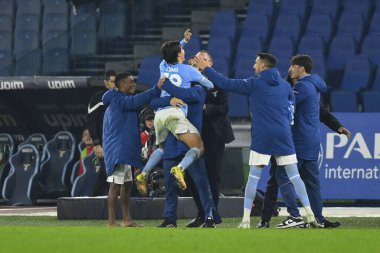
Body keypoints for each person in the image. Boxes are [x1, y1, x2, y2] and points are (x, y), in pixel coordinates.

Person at [195, 52, 318, 228]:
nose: (253, 66)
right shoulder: (285, 85)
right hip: (284, 136)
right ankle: (310, 214)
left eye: (255, 63)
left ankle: (245, 220)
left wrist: (206, 68)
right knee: (295, 176)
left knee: (253, 178)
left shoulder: (254, 83)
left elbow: (226, 83)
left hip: (263, 136)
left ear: (262, 65)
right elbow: (291, 107)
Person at [257, 68, 351, 229]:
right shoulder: (309, 91)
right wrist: (338, 127)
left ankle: (292, 217)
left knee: (278, 179)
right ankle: (316, 219)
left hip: (290, 143)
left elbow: (320, 112)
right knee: (292, 181)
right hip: (301, 143)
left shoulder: (295, 93)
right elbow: (323, 113)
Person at [150, 77, 220, 227]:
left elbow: (188, 96)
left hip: (190, 144)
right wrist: (169, 101)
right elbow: (153, 102)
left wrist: (168, 89)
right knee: (169, 184)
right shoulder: (174, 92)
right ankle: (170, 219)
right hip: (171, 144)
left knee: (201, 183)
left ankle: (209, 217)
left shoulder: (198, 90)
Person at [154, 30, 214, 190]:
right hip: (175, 114)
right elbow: (210, 85)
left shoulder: (163, 66)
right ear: (180, 54)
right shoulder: (189, 70)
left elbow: (169, 54)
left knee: (161, 149)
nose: (184, 50)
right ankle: (180, 169)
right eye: (182, 49)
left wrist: (184, 41)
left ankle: (144, 173)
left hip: (159, 115)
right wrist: (207, 82)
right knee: (198, 146)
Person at [102, 72, 161, 227]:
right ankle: (111, 221)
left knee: (127, 184)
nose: (134, 85)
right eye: (130, 82)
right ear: (121, 85)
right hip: (118, 149)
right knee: (115, 185)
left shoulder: (116, 97)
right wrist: (156, 88)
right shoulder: (118, 99)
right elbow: (137, 100)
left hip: (124, 148)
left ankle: (127, 219)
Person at [185, 52, 235, 227]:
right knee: (191, 176)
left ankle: (211, 215)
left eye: (204, 59)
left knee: (211, 175)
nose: (200, 61)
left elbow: (224, 107)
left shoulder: (219, 80)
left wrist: (205, 107)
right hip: (192, 133)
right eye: (197, 58)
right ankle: (202, 213)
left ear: (210, 63)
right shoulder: (189, 79)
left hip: (213, 134)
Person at [87, 70, 117, 195]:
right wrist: (97, 144)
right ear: (106, 83)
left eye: (117, 81)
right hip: (104, 143)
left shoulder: (121, 97)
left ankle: (106, 202)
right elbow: (92, 122)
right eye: (112, 81)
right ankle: (96, 201)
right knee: (106, 173)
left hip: (117, 142)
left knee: (115, 175)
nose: (115, 84)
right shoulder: (98, 99)